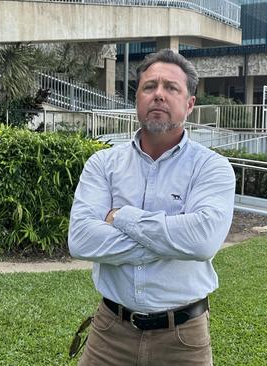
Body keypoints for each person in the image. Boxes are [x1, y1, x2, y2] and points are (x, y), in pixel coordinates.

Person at [68, 49, 236, 365]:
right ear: (137, 98)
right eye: (149, 86)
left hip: (183, 340)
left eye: (171, 88)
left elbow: (202, 241)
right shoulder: (103, 164)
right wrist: (173, 239)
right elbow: (81, 240)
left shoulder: (211, 168)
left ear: (189, 104)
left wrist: (121, 216)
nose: (158, 94)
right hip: (109, 334)